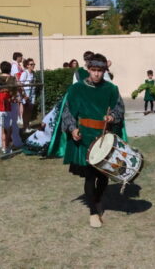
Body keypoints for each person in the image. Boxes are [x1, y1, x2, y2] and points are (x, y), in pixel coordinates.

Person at [62, 53, 125, 228]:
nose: (97, 74)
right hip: (85, 138)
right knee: (90, 177)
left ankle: (97, 199)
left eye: (100, 70)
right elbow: (68, 112)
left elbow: (119, 109)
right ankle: (93, 212)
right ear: (88, 69)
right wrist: (73, 128)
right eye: (94, 70)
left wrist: (112, 117)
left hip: (105, 139)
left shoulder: (111, 89)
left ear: (105, 70)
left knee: (103, 176)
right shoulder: (76, 89)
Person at [0, 61, 23, 148]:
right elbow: (14, 91)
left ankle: (0, 143)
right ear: (10, 69)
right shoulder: (12, 79)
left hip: (0, 104)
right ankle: (15, 141)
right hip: (11, 103)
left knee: (0, 124)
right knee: (13, 123)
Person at [0, 77, 13, 154]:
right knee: (5, 131)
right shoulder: (6, 93)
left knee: (3, 130)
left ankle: (3, 146)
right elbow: (7, 100)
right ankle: (5, 147)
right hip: (5, 112)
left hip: (0, 112)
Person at [20, 58, 37, 132]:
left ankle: (27, 126)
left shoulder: (33, 73)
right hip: (26, 93)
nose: (33, 66)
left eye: (33, 64)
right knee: (26, 110)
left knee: (30, 110)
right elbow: (20, 84)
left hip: (32, 93)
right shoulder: (25, 73)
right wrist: (24, 95)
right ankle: (25, 127)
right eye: (31, 64)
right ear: (27, 66)